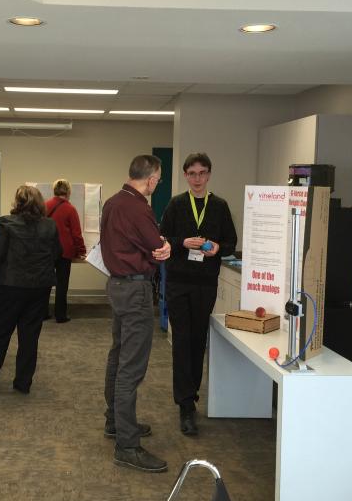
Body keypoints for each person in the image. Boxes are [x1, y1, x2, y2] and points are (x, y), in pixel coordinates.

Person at [100, 154, 171, 473]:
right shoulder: (139, 207)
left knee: (118, 356)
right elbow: (156, 246)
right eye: (158, 179)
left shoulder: (114, 202)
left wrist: (158, 247)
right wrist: (165, 246)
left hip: (117, 286)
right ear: (153, 179)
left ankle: (115, 421)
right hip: (135, 290)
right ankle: (127, 445)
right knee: (132, 366)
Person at [160, 153, 237, 436]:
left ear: (209, 175)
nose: (197, 178)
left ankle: (191, 395)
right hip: (179, 282)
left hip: (206, 283)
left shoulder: (219, 206)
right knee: (181, 341)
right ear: (185, 175)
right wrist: (182, 241)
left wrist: (218, 248)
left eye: (202, 173)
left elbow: (231, 242)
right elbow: (161, 237)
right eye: (192, 173)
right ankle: (185, 405)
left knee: (197, 340)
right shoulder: (177, 204)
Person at [0, 185, 61, 395]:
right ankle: (23, 383)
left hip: (10, 287)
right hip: (39, 287)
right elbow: (58, 253)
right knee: (29, 336)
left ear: (18, 203)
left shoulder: (6, 222)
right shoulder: (49, 225)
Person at [45, 179, 86, 323]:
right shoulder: (70, 209)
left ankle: (44, 312)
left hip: (47, 250)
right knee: (62, 283)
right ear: (68, 192)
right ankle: (60, 314)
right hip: (64, 251)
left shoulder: (45, 206)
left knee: (45, 282)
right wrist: (81, 250)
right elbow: (76, 233)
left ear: (54, 190)